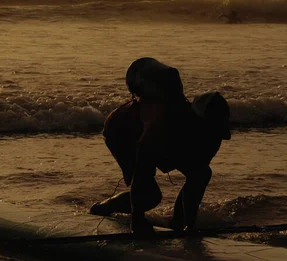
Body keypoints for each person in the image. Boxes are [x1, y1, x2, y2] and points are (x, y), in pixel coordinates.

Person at [90, 58, 231, 234]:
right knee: (150, 196)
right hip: (122, 132)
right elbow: (142, 167)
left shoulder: (212, 131)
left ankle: (179, 223)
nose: (213, 134)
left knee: (201, 173)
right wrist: (138, 220)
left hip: (160, 139)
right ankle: (103, 208)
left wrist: (189, 227)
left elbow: (198, 171)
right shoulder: (162, 123)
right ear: (196, 120)